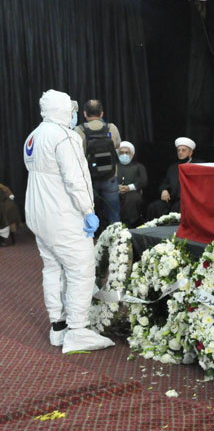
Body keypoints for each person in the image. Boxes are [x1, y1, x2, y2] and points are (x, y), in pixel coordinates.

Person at [23, 90, 114, 353]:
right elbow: (76, 179)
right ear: (63, 109)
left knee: (52, 269)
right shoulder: (65, 136)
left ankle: (58, 327)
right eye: (71, 108)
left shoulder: (33, 136)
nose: (74, 113)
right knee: (80, 269)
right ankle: (78, 330)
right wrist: (88, 211)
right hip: (62, 215)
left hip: (38, 213)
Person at [75, 99, 121, 226]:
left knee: (89, 216)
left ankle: (92, 236)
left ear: (85, 113)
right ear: (101, 114)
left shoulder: (78, 130)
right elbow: (117, 146)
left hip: (89, 179)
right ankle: (116, 235)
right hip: (110, 176)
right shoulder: (111, 128)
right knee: (114, 216)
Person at [147, 137, 198, 220]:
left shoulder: (198, 166)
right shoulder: (173, 168)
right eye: (178, 150)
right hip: (172, 199)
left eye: (183, 150)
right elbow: (165, 182)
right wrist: (164, 190)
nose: (180, 152)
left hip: (188, 199)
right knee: (153, 207)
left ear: (190, 152)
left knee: (179, 206)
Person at [117, 141, 148, 228]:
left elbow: (143, 181)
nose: (124, 155)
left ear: (132, 154)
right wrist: (116, 187)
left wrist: (129, 187)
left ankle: (130, 225)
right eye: (121, 153)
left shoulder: (139, 166)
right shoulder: (114, 167)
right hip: (115, 192)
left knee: (132, 199)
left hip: (133, 192)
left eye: (127, 153)